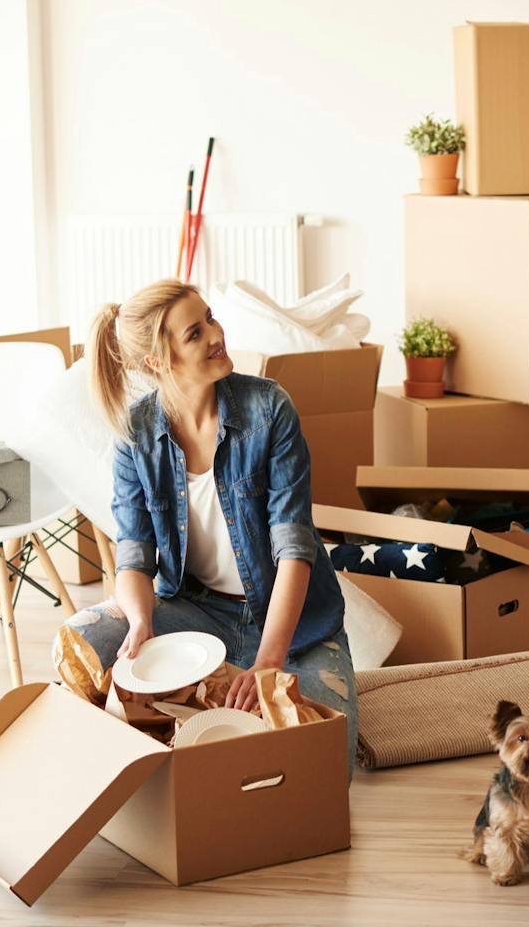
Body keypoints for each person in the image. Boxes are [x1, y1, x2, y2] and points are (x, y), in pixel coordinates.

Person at [54, 278, 358, 775]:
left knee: (324, 761)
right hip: (195, 612)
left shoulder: (269, 409)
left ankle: (214, 699)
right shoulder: (136, 434)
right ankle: (176, 724)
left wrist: (267, 662)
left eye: (211, 318)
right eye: (195, 333)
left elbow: (295, 549)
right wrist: (140, 621)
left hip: (295, 625)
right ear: (158, 362)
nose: (217, 334)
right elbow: (134, 551)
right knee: (82, 637)